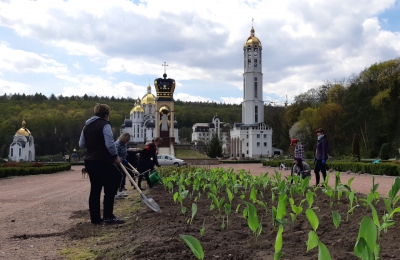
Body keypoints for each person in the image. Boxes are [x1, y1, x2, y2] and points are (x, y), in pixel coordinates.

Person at [79, 103, 124, 225]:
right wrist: (115, 156)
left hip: (90, 160)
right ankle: (108, 216)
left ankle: (95, 219)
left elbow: (81, 144)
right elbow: (110, 143)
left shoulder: (86, 126)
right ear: (106, 115)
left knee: (95, 189)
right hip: (103, 161)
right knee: (110, 187)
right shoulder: (105, 125)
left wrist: (93, 145)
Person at [114, 133, 131, 199]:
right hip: (116, 163)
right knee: (118, 176)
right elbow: (115, 154)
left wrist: (125, 160)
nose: (127, 141)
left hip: (122, 162)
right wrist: (121, 159)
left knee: (123, 176)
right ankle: (115, 193)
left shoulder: (124, 144)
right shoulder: (117, 144)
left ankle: (120, 191)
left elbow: (125, 153)